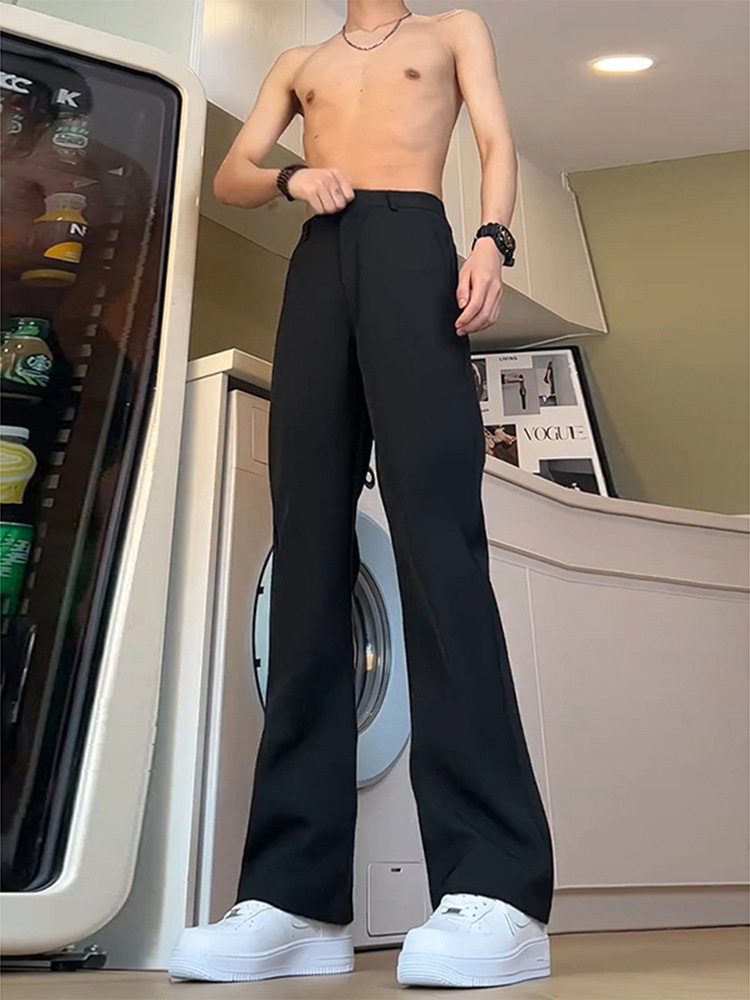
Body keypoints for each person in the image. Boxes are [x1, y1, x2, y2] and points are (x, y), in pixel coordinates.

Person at [169, 1, 554, 989]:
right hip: (318, 259)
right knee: (305, 558)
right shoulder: (299, 61)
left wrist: (491, 240)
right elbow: (233, 174)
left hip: (414, 243)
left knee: (438, 548)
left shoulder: (452, 30)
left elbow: (497, 139)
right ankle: (294, 899)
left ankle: (497, 888)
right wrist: (292, 176)